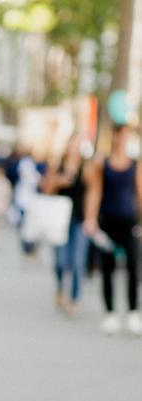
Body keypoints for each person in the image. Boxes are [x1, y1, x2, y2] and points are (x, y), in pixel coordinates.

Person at [83, 123, 142, 335]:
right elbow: (95, 192)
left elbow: (140, 192)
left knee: (133, 267)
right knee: (107, 267)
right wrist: (90, 218)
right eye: (119, 135)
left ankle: (134, 312)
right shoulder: (103, 164)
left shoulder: (135, 164)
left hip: (129, 220)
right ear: (114, 137)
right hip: (108, 220)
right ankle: (110, 313)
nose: (122, 139)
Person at [44, 135, 89, 318]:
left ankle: (74, 300)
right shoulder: (57, 166)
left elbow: (93, 192)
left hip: (80, 218)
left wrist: (91, 218)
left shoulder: (87, 167)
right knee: (61, 261)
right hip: (60, 220)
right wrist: (59, 181)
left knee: (78, 262)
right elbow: (46, 189)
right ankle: (60, 288)